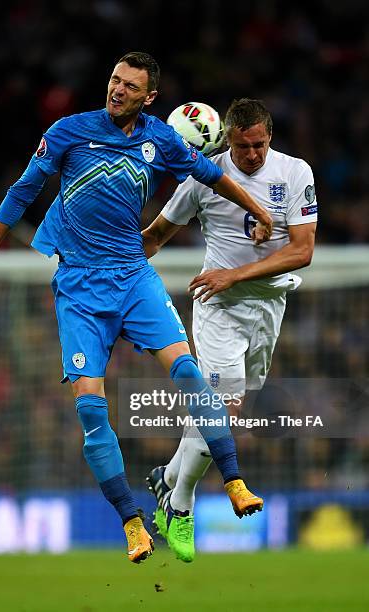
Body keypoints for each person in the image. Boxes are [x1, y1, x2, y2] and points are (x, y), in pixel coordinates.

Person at [0, 54, 272, 564]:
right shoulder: (68, 132)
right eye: (114, 81)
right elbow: (23, 190)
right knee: (90, 408)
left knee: (192, 375)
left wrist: (258, 211)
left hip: (132, 276)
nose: (118, 91)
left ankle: (235, 480)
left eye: (130, 86)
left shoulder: (161, 141)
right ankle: (132, 521)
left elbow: (213, 179)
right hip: (80, 288)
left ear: (150, 97)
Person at [143, 97, 317, 562]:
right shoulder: (206, 177)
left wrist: (236, 273)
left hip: (268, 307)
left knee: (227, 409)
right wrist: (111, 262)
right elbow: (156, 236)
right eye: (243, 147)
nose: (253, 155)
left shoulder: (295, 173)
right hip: (217, 305)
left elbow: (302, 251)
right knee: (224, 406)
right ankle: (180, 505)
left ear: (269, 137)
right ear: (228, 141)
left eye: (259, 144)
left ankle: (167, 476)